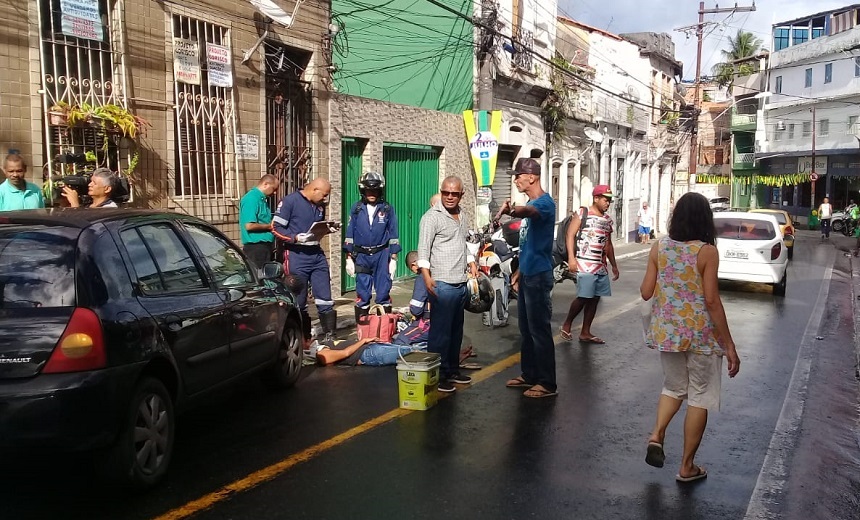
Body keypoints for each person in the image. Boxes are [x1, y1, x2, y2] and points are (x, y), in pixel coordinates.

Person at [639, 191, 740, 483]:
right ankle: (686, 466)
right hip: (701, 336)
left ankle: (657, 434)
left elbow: (646, 292)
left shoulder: (660, 247)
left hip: (668, 334)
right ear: (704, 220)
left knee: (673, 387)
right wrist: (729, 345)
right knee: (699, 395)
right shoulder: (706, 252)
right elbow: (711, 300)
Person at [499, 158, 558, 398]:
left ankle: (547, 383)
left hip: (539, 275)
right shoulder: (532, 202)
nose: (515, 179)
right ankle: (530, 374)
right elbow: (529, 245)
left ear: (531, 177)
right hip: (528, 273)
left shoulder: (543, 203)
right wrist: (518, 271)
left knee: (539, 329)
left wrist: (512, 209)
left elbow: (529, 212)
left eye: (518, 175)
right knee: (526, 328)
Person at [417, 176, 478, 393]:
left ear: (462, 195)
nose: (450, 197)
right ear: (441, 192)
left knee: (456, 330)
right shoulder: (431, 218)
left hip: (460, 282)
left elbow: (465, 243)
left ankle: (452, 369)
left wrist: (471, 262)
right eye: (446, 193)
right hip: (441, 283)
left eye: (454, 193)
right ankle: (438, 375)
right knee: (440, 333)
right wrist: (426, 277)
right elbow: (423, 250)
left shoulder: (463, 216)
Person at [272, 177, 337, 346]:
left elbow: (316, 227)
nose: (325, 199)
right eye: (323, 195)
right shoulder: (290, 201)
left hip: (316, 254)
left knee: (325, 297)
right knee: (299, 300)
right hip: (296, 254)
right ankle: (303, 338)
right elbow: (275, 228)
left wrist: (327, 229)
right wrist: (294, 238)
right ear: (314, 189)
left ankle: (331, 336)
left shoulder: (319, 205)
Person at [559, 185, 620, 344]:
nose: (608, 203)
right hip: (584, 264)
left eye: (610, 201)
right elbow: (570, 235)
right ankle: (567, 324)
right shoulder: (582, 213)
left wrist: (613, 265)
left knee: (595, 298)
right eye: (606, 200)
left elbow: (608, 244)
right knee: (584, 296)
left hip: (600, 265)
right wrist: (572, 259)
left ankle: (585, 332)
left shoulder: (607, 220)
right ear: (596, 198)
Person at [344, 171, 401, 322]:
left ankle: (385, 328)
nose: (372, 193)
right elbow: (350, 231)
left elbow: (394, 233)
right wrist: (348, 258)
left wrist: (393, 259)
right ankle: (363, 327)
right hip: (361, 256)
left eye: (375, 190)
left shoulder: (387, 209)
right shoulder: (356, 208)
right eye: (368, 190)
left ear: (380, 190)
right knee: (363, 293)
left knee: (383, 291)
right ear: (363, 190)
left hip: (381, 254)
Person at [239, 175, 278, 271]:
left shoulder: (262, 199)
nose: (275, 192)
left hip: (265, 246)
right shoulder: (251, 199)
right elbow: (249, 225)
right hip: (256, 247)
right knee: (259, 275)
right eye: (274, 189)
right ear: (265, 184)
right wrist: (270, 226)